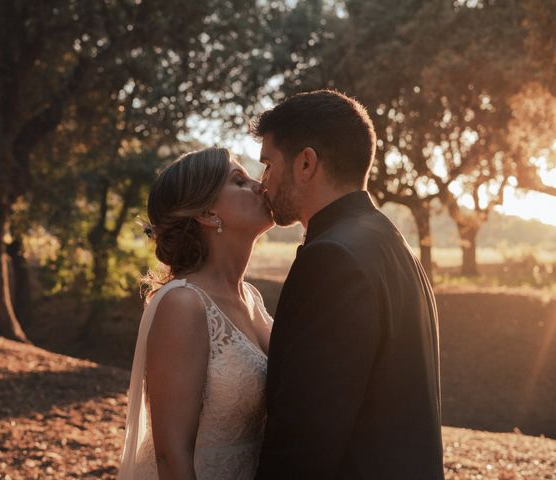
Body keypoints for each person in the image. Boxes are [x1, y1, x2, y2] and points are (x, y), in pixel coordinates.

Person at [251, 90, 445, 479]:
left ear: (306, 163)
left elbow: (306, 434)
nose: (263, 182)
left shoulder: (331, 259)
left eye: (268, 164)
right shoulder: (391, 242)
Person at [118, 147, 275, 480]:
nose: (259, 185)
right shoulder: (183, 304)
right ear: (207, 212)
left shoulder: (251, 297)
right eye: (239, 180)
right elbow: (170, 454)